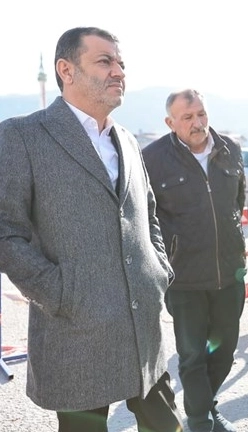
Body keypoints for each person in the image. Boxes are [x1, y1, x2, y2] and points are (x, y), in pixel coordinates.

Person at [0, 27, 183, 432]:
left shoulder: (127, 140)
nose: (119, 71)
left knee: (166, 425)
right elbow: (5, 231)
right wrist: (58, 292)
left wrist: (158, 270)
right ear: (66, 70)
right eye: (105, 61)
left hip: (141, 327)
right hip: (76, 329)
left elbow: (148, 212)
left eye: (121, 63)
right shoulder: (22, 135)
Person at [142, 89, 246, 432]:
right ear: (170, 122)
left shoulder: (230, 149)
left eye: (201, 114)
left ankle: (207, 406)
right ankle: (201, 422)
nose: (197, 122)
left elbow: (237, 202)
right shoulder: (152, 159)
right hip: (183, 277)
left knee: (224, 351)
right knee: (192, 355)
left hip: (230, 272)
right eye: (187, 117)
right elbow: (145, 216)